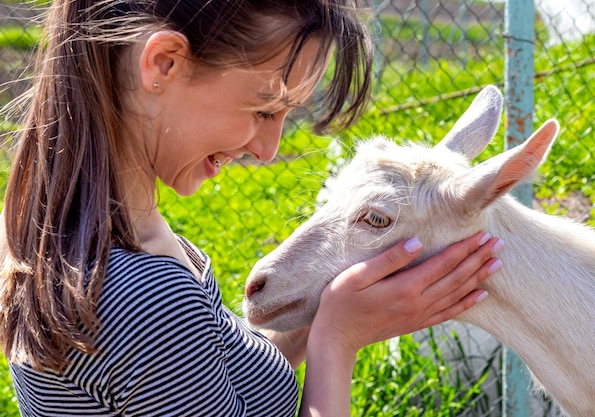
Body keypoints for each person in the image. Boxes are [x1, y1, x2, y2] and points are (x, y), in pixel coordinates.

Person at [0, 0, 504, 416]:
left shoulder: (82, 241)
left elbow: (216, 377)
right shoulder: (140, 294)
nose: (267, 148)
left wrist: (327, 309)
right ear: (164, 63)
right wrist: (338, 339)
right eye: (264, 109)